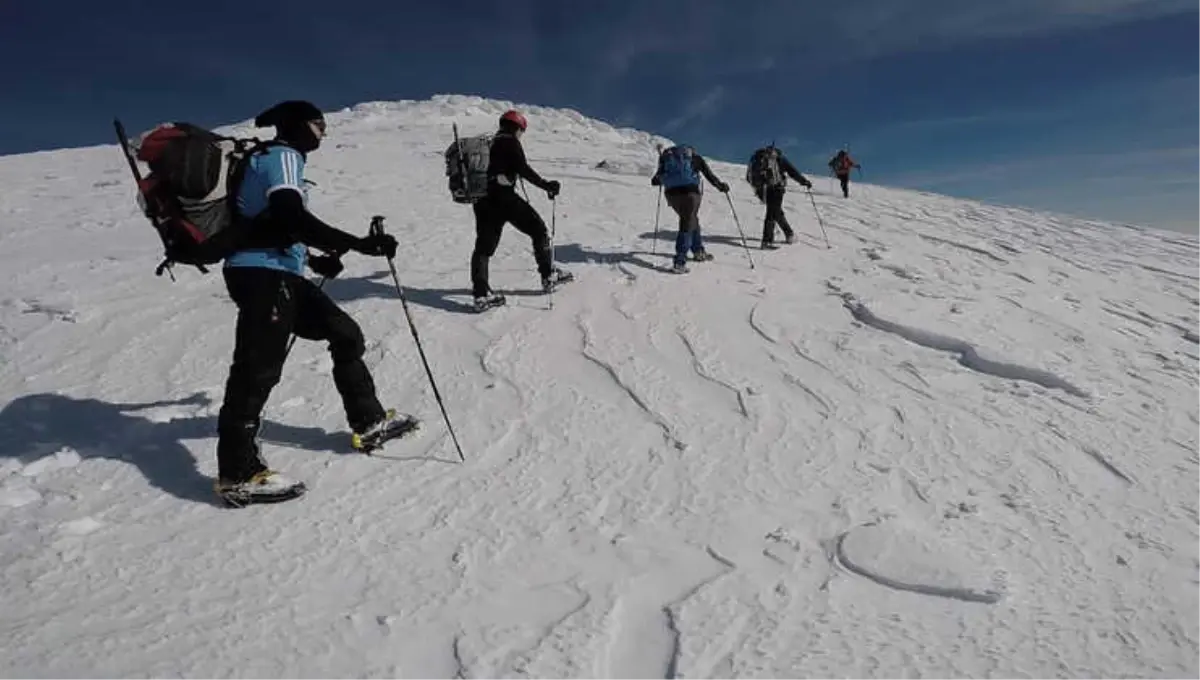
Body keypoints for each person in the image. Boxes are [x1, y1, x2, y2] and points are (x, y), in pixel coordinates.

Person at [214, 99, 404, 504]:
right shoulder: (283, 156)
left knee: (345, 334)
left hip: (281, 274)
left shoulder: (276, 159)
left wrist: (315, 259)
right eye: (319, 125)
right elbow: (290, 216)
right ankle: (237, 472)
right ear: (299, 125)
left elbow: (277, 223)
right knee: (257, 368)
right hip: (261, 275)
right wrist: (358, 244)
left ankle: (368, 421)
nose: (323, 132)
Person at [471, 109, 571, 310]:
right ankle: (548, 274)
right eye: (521, 130)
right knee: (538, 229)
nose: (521, 135)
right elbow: (522, 168)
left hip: (481, 200)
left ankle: (481, 295)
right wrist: (547, 186)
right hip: (504, 197)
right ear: (517, 127)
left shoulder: (488, 145)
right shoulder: (509, 141)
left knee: (483, 248)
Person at [650, 144, 728, 273]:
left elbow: (655, 181)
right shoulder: (695, 158)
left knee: (691, 219)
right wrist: (721, 186)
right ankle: (679, 261)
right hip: (690, 194)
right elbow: (709, 175)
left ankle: (698, 251)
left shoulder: (667, 159)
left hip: (672, 195)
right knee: (687, 223)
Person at [746, 144, 813, 250]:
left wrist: (759, 187)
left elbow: (748, 177)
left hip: (762, 190)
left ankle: (789, 234)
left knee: (775, 211)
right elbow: (793, 172)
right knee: (772, 213)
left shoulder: (758, 159)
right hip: (777, 188)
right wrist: (804, 181)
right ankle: (767, 241)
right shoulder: (780, 159)